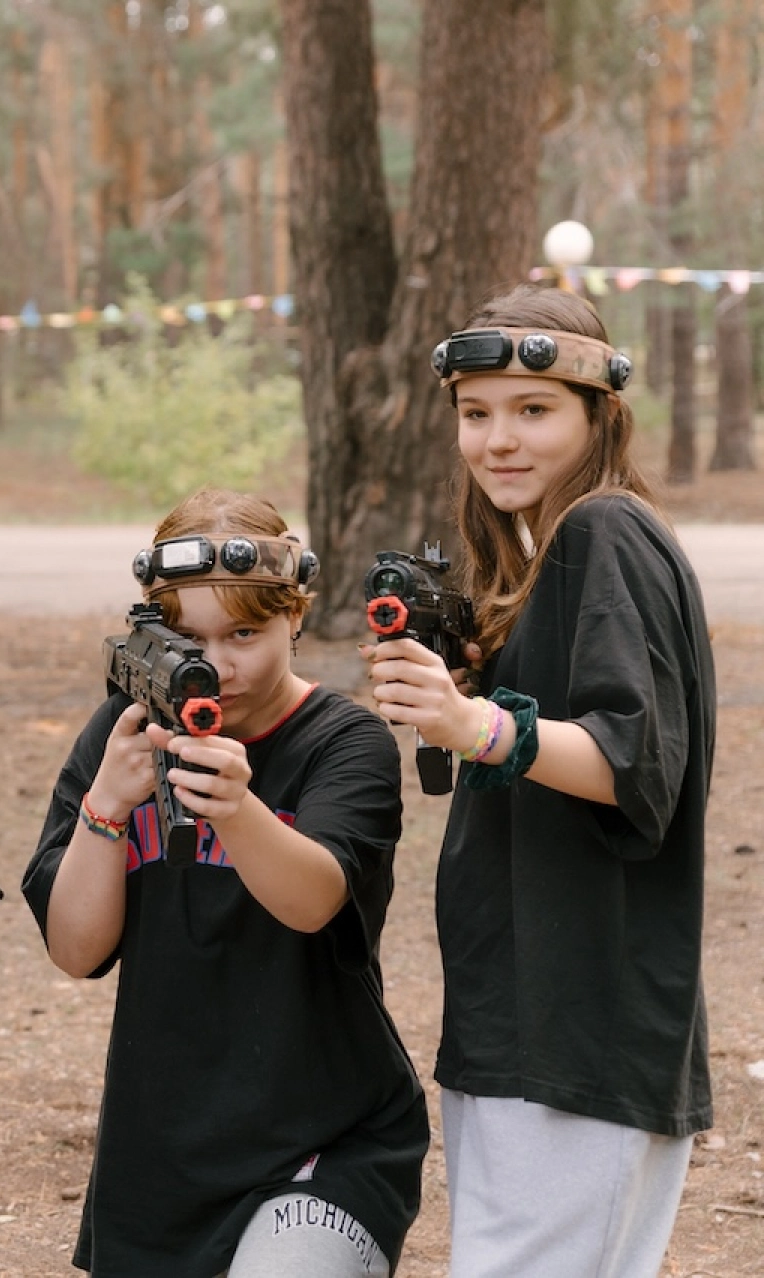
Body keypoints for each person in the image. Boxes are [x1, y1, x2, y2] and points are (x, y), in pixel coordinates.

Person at [364, 283, 714, 1277]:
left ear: (600, 414)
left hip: (578, 1036)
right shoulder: (554, 550)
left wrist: (471, 723)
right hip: (538, 1025)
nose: (498, 440)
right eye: (476, 414)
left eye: (533, 411)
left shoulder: (605, 532)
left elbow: (631, 761)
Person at [22, 488, 426, 1277]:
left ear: (296, 618)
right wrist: (105, 807)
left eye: (245, 632)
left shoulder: (346, 742)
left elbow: (313, 901)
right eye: (190, 638)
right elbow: (75, 948)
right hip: (161, 1155)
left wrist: (237, 810)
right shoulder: (122, 733)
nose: (218, 665)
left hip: (327, 1141)